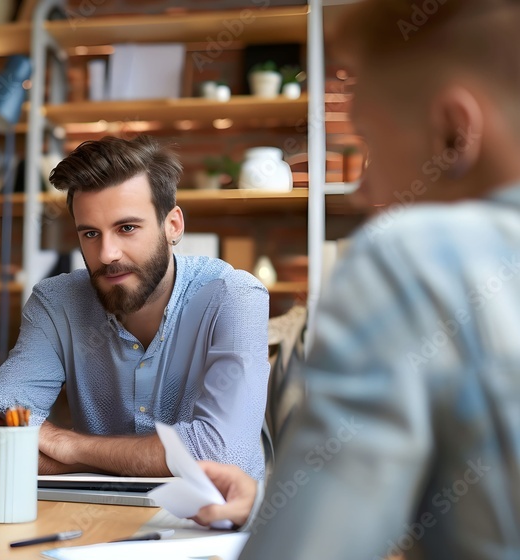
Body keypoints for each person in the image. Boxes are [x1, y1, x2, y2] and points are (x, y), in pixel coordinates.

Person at [191, 1, 520, 557]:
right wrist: (276, 499)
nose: (364, 191)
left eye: (366, 141)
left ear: (454, 134)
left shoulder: (413, 261)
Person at [0, 136, 270, 479]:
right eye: (90, 234)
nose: (107, 254)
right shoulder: (55, 302)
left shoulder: (234, 296)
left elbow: (222, 456)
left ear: (173, 226)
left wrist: (69, 444)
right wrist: (148, 460)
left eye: (127, 228)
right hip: (95, 520)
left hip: (212, 525)